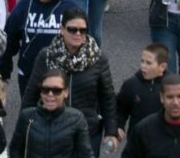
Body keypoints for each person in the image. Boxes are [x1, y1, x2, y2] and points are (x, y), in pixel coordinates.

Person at [22, 9, 118, 157]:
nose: (78, 34)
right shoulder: (46, 56)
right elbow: (31, 93)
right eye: (72, 29)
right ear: (62, 30)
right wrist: (25, 127)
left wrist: (111, 131)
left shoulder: (98, 59)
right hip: (52, 131)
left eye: (82, 30)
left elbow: (107, 96)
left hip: (87, 131)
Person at [1, 0, 71, 97]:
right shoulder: (26, 4)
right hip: (29, 73)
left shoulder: (70, 8)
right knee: (30, 114)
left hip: (60, 75)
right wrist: (4, 66)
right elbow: (9, 37)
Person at [10, 65, 94, 158]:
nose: (50, 94)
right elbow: (15, 150)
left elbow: (86, 155)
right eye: (45, 90)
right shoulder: (27, 116)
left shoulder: (77, 119)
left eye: (56, 90)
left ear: (66, 92)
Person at [116, 43, 170, 137]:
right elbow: (120, 108)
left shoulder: (173, 86)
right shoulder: (131, 84)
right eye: (142, 61)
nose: (143, 66)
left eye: (148, 63)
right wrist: (118, 126)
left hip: (165, 140)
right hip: (137, 140)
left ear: (162, 67)